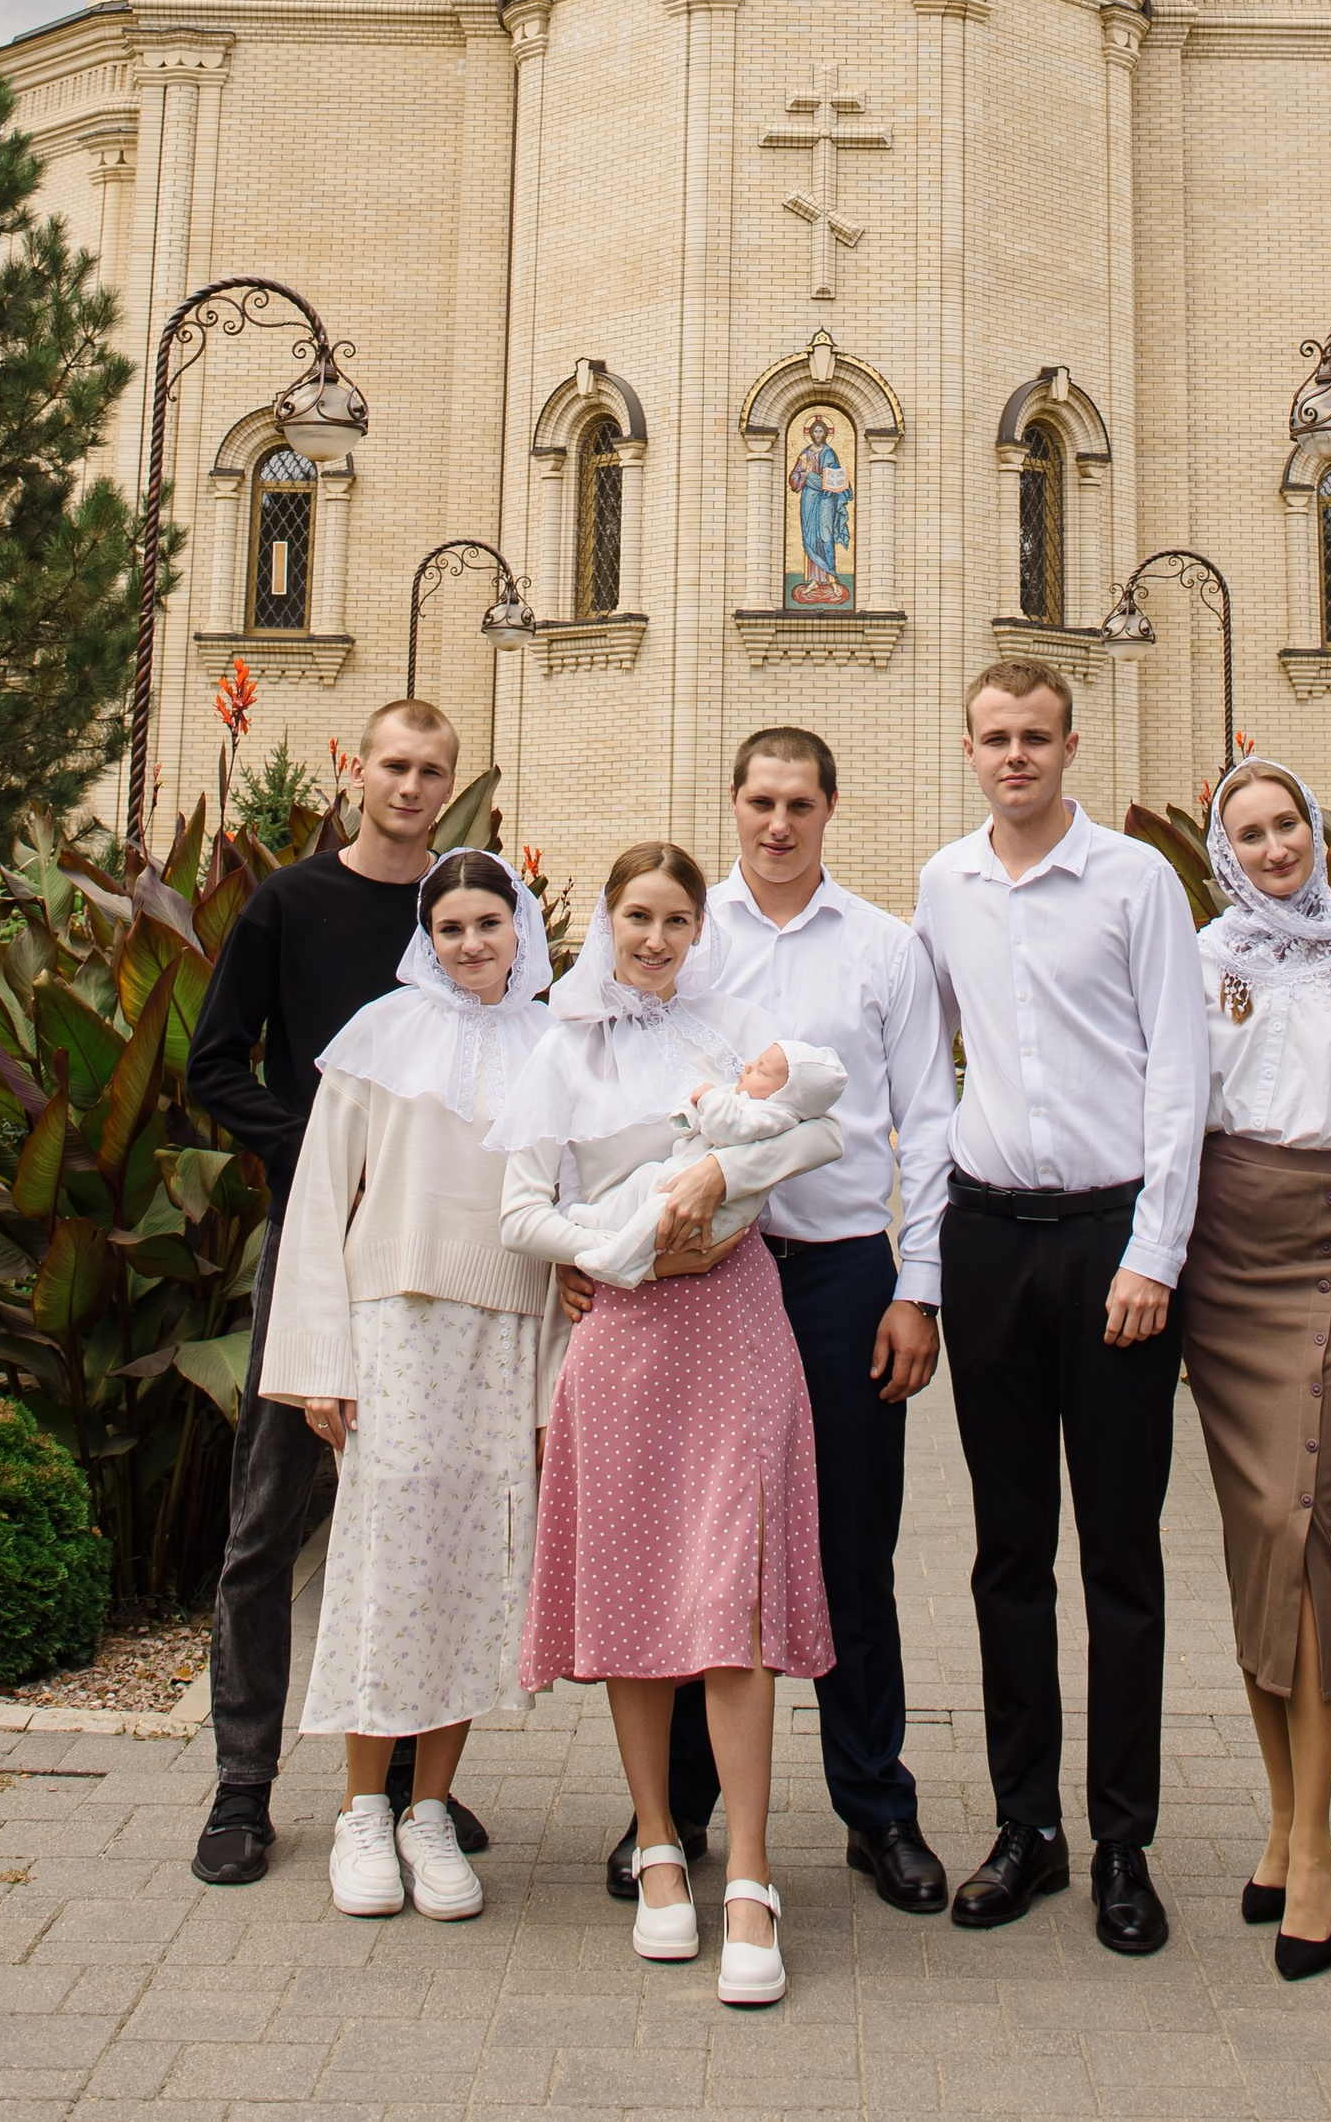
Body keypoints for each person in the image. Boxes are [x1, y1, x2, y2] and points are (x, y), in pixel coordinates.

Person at [495, 843, 841, 2010]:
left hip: (735, 1323)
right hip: (624, 1336)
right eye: (637, 916)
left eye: (676, 920)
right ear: (607, 921)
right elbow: (520, 1211)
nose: (655, 938)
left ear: (700, 929)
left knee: (732, 1597)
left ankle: (747, 1872)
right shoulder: (563, 1044)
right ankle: (655, 1843)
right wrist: (613, 1249)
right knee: (635, 1592)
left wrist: (712, 1183)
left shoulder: (732, 1024)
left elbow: (812, 1134)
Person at [911, 661, 1208, 1956]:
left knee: (1121, 1556)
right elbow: (917, 1065)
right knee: (1007, 1549)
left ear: (1070, 745)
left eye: (1036, 735)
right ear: (969, 747)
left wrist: (1156, 1251)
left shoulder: (1135, 882)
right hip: (990, 1238)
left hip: (1111, 1248)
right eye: (995, 736)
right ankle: (1026, 1825)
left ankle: (1123, 1840)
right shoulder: (945, 884)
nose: (1016, 754)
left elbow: (1180, 1074)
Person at [184, 699, 491, 1888]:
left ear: (450, 782)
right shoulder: (289, 903)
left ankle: (412, 1783)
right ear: (358, 771)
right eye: (394, 765)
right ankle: (242, 1785)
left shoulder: (461, 913)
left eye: (431, 770)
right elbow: (215, 1064)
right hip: (319, 1244)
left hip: (429, 1266)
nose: (410, 786)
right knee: (269, 1514)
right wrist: (320, 1154)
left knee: (423, 1511)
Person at [668, 727, 958, 1915]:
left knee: (851, 1548)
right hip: (707, 1275)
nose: (778, 823)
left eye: (798, 802)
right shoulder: (689, 939)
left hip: (842, 1277)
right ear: (733, 805)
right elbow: (624, 1098)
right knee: (703, 1546)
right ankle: (676, 1806)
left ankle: (875, 1806)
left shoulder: (885, 947)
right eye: (760, 801)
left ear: (830, 808)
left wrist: (916, 1287)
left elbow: (927, 1123)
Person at [256, 844, 559, 1920]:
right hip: (393, 1330)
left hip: (507, 1334)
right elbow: (318, 1201)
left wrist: (552, 1389)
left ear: (521, 929)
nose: (472, 943)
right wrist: (318, 1363)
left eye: (489, 923)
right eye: (451, 928)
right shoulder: (377, 1036)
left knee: (475, 1572)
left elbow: (570, 1214)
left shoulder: (555, 1044)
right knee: (383, 1565)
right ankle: (360, 1810)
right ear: (427, 941)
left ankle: (430, 1808)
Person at [1180, 757, 1331, 1982]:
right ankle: (1280, 1817)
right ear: (1223, 852)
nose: (1274, 848)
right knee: (1252, 1540)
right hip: (1222, 1249)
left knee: (1296, 1521)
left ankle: (1316, 1844)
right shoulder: (1203, 956)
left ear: (1315, 833)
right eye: (1250, 833)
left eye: (1288, 826)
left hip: (1330, 1243)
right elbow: (1174, 1105)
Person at [556, 1037, 847, 1290]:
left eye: (762, 1070)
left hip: (715, 1213)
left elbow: (726, 1128)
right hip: (677, 1175)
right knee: (643, 1180)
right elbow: (705, 1116)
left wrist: (709, 1101)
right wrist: (690, 1114)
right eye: (756, 1061)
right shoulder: (741, 1097)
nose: (748, 1066)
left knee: (659, 1212)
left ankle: (621, 1260)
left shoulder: (772, 1116)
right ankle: (599, 1219)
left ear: (785, 1096)